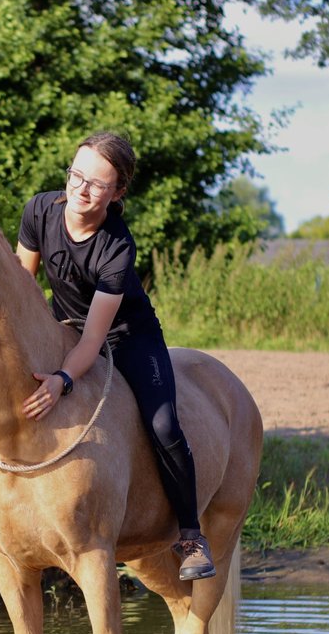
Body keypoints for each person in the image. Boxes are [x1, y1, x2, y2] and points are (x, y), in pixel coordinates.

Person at [15, 132, 215, 581]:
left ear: (118, 192)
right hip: (62, 326)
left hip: (125, 337)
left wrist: (62, 380)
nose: (80, 191)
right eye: (76, 176)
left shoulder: (116, 248)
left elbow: (94, 340)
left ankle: (190, 535)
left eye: (97, 185)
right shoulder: (38, 210)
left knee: (163, 424)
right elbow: (22, 289)